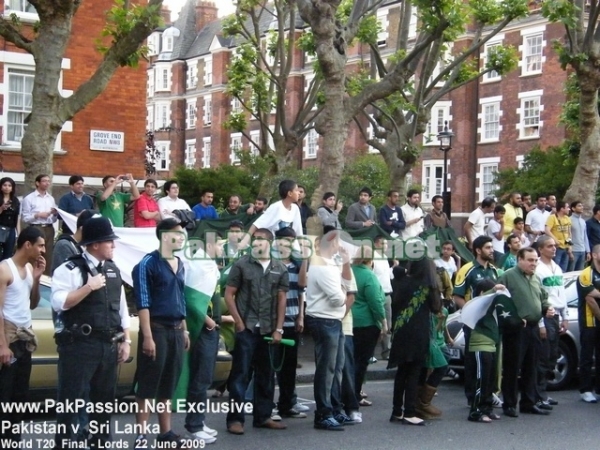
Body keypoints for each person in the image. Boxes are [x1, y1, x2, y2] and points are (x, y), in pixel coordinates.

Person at [51, 217, 131, 449]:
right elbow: (59, 303)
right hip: (79, 345)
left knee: (104, 404)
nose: (113, 246)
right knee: (71, 401)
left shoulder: (113, 270)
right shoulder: (70, 269)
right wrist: (88, 286)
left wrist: (126, 339)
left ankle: (100, 443)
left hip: (108, 344)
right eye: (109, 242)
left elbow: (122, 308)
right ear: (95, 244)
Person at [224, 228, 289, 435]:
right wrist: (239, 322)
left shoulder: (280, 268)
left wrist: (279, 329)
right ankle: (235, 419)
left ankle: (263, 416)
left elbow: (282, 300)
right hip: (247, 329)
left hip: (269, 330)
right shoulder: (242, 265)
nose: (256, 243)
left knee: (267, 375)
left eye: (261, 240)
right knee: (240, 375)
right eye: (255, 240)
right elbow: (229, 294)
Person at [133, 218, 190, 446]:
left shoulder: (180, 263)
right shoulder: (147, 264)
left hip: (176, 330)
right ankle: (141, 434)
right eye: (178, 234)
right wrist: (147, 336)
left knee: (168, 383)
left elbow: (181, 299)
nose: (182, 238)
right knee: (148, 383)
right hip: (156, 330)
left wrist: (184, 331)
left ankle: (165, 432)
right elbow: (143, 302)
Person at [305, 229, 353, 430]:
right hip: (324, 320)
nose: (340, 246)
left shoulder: (332, 263)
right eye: (338, 242)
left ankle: (333, 409)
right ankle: (323, 414)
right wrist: (343, 293)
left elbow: (348, 286)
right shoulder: (322, 266)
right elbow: (338, 297)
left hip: (333, 319)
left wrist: (346, 263)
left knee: (336, 367)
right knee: (327, 369)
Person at [0, 227, 45, 444]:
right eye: (40, 245)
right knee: (4, 399)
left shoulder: (29, 268)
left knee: (20, 399)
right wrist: (2, 346)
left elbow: (33, 304)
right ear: (27, 244)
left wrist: (36, 279)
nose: (43, 250)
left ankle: (14, 441)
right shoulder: (4, 269)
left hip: (25, 340)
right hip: (9, 339)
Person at [498, 247, 554, 418]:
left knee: (532, 366)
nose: (534, 263)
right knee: (513, 366)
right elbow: (500, 300)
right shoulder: (508, 276)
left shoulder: (535, 278)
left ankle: (528, 403)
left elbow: (543, 298)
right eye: (530, 260)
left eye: (536, 260)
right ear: (519, 260)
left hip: (533, 327)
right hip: (516, 328)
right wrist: (513, 318)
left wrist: (547, 308)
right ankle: (509, 404)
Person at [179, 232, 222, 445]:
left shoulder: (210, 266)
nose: (222, 248)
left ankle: (200, 421)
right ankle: (193, 426)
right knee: (199, 379)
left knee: (205, 379)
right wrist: (207, 321)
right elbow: (190, 300)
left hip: (213, 330)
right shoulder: (199, 267)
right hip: (203, 330)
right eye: (219, 244)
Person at [388, 258, 441, 426]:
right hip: (418, 333)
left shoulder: (402, 281)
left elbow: (396, 274)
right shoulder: (427, 286)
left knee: (401, 372)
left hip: (400, 330)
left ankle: (396, 411)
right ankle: (409, 412)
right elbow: (437, 307)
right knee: (414, 373)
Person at [453, 236, 500, 405]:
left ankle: (488, 394)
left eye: (492, 247)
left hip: (491, 323)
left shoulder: (494, 270)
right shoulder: (467, 269)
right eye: (488, 247)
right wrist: (471, 315)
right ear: (478, 250)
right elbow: (457, 296)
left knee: (491, 361)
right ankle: (473, 398)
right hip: (474, 324)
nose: (491, 250)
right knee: (473, 361)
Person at [272, 227, 307, 419]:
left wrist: (301, 315)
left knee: (289, 367)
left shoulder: (296, 264)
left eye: (291, 240)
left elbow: (302, 289)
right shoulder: (272, 264)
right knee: (270, 366)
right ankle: (267, 406)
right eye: (284, 240)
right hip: (273, 323)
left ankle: (286, 404)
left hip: (292, 319)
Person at [351, 246, 386, 416]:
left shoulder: (349, 271)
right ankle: (355, 395)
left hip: (349, 321)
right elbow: (376, 301)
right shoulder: (369, 275)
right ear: (370, 259)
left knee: (349, 361)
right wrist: (383, 321)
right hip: (366, 323)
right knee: (361, 362)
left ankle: (347, 393)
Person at [535, 236, 565, 408]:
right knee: (543, 356)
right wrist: (540, 324)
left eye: (555, 246)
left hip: (556, 316)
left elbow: (561, 294)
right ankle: (538, 395)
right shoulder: (538, 269)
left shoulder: (557, 268)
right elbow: (537, 299)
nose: (554, 249)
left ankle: (543, 392)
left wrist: (565, 317)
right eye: (549, 246)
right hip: (544, 316)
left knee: (552, 356)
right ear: (541, 249)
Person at [575, 243, 600, 403]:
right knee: (587, 356)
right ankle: (585, 389)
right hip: (590, 322)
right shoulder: (586, 274)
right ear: (595, 255)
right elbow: (590, 298)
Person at [21, 174, 58, 276]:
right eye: (44, 181)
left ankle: (45, 278)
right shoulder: (29, 198)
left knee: (48, 254)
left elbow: (53, 218)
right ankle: (32, 276)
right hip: (36, 227)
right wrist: (37, 215)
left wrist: (54, 214)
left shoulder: (51, 198)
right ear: (37, 183)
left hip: (49, 228)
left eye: (48, 181)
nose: (47, 183)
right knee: (35, 254)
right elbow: (25, 217)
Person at [51, 209, 97, 274]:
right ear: (82, 229)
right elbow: (65, 275)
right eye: (95, 230)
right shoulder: (64, 245)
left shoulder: (87, 247)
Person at [373, 235, 393, 360]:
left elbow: (388, 276)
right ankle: (369, 353)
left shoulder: (385, 258)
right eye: (382, 244)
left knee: (388, 326)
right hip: (377, 295)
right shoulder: (372, 258)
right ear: (376, 244)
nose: (384, 246)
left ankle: (386, 352)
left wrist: (394, 267)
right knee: (377, 325)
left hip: (388, 294)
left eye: (385, 244)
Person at [545, 201, 572, 272]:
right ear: (562, 209)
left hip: (565, 247)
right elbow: (547, 230)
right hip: (557, 247)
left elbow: (569, 233)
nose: (569, 209)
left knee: (564, 269)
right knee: (555, 268)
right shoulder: (552, 217)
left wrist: (569, 246)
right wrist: (555, 240)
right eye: (567, 207)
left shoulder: (567, 218)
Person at [0, 177, 20, 261]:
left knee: (8, 254)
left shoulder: (15, 200)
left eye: (9, 185)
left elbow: (17, 218)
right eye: (4, 185)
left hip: (10, 229)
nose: (7, 187)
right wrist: (1, 208)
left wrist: (19, 233)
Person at [569, 201, 590, 271]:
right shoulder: (569, 220)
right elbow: (567, 236)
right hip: (573, 250)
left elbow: (585, 237)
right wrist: (569, 250)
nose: (582, 207)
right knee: (570, 272)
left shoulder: (583, 221)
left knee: (580, 273)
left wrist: (588, 251)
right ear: (573, 208)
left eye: (582, 206)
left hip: (582, 250)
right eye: (579, 206)